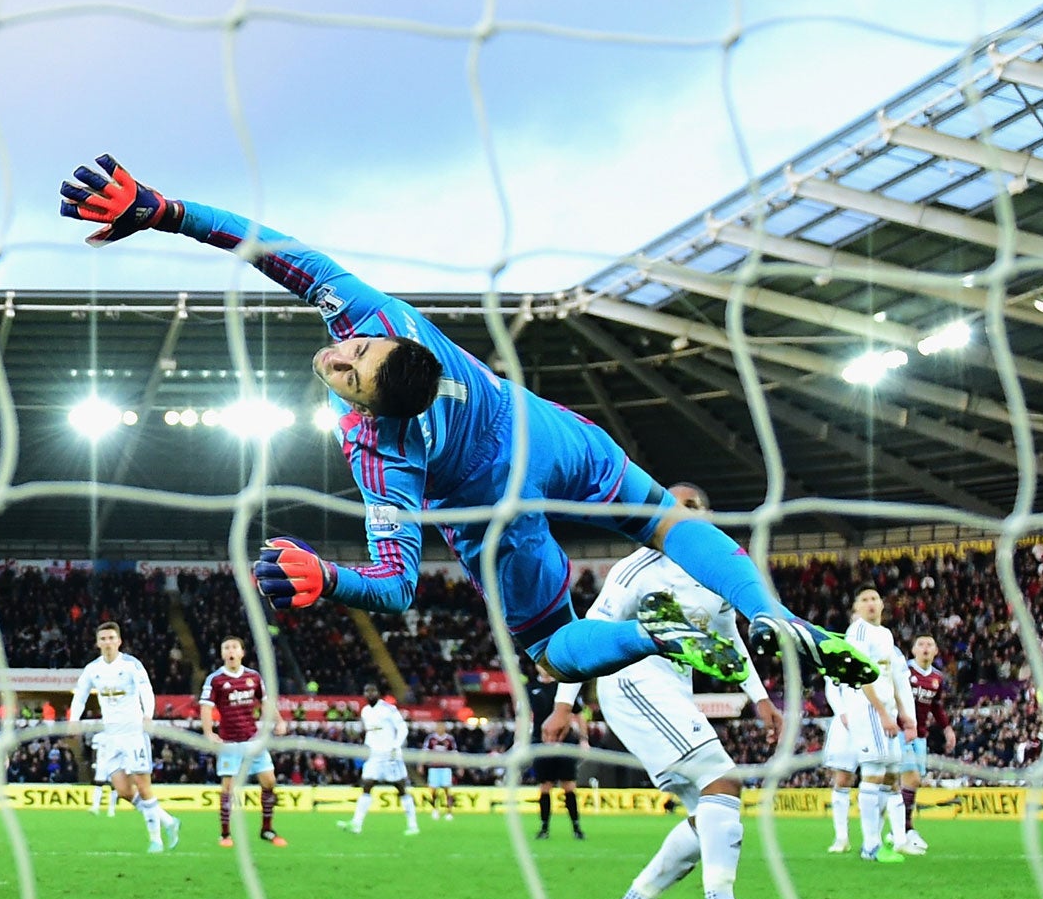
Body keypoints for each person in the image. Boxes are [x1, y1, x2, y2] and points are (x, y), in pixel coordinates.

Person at [58, 158, 877, 692]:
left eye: (352, 372)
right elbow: (268, 246)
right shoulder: (374, 316)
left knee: (555, 654)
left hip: (495, 503)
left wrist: (329, 579)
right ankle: (776, 617)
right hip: (549, 432)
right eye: (352, 357)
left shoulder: (385, 453)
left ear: (378, 407)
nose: (338, 360)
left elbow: (400, 584)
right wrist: (162, 210)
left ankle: (666, 638)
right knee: (664, 516)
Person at [559, 484, 788, 899]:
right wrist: (564, 704)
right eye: (675, 505)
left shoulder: (717, 571)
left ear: (708, 515)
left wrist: (759, 696)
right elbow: (591, 631)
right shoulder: (638, 566)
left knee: (706, 810)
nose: (683, 513)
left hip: (673, 688)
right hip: (633, 679)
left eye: (693, 506)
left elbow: (730, 638)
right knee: (724, 780)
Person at [68, 622, 179, 853]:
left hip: (134, 733)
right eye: (103, 638)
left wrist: (148, 715)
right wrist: (74, 719)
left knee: (143, 785)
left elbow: (146, 689)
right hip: (112, 736)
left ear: (119, 641)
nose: (107, 642)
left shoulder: (130, 665)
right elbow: (80, 696)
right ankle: (169, 820)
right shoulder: (93, 669)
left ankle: (156, 839)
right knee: (124, 791)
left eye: (111, 638)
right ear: (97, 643)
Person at [836, 588, 912, 865]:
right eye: (864, 600)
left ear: (882, 604)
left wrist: (901, 711)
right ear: (857, 607)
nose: (870, 604)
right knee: (873, 772)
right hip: (867, 709)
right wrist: (882, 712)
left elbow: (890, 678)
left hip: (887, 710)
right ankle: (871, 845)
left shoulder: (886, 635)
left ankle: (879, 842)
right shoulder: (857, 631)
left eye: (874, 599)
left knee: (891, 777)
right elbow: (859, 674)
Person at [198, 635, 287, 847]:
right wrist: (209, 732)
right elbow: (206, 707)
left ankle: (267, 829)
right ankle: (225, 834)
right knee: (228, 788)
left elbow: (266, 701)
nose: (230, 651)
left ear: (241, 652)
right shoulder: (215, 679)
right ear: (222, 654)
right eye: (226, 647)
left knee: (269, 781)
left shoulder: (253, 677)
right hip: (229, 742)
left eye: (234, 647)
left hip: (253, 740)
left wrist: (280, 721)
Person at [340, 686, 418, 836]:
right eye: (366, 691)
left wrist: (396, 746)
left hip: (390, 754)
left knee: (400, 788)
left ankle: (413, 825)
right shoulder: (365, 711)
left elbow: (403, 728)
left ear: (378, 693)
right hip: (374, 755)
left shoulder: (388, 709)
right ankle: (357, 824)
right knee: (367, 785)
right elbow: (370, 733)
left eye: (372, 691)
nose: (369, 694)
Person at [895, 635, 947, 854]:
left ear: (936, 651)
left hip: (921, 736)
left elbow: (936, 706)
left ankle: (900, 829)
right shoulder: (904, 671)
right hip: (900, 731)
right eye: (921, 644)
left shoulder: (937, 677)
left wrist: (947, 728)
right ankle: (904, 830)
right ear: (913, 650)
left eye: (930, 645)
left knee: (912, 783)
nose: (925, 648)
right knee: (911, 778)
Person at [526, 667, 584, 841]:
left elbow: (579, 714)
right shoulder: (530, 688)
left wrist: (584, 739)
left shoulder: (564, 687)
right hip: (540, 742)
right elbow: (525, 715)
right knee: (545, 787)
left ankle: (576, 827)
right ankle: (544, 827)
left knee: (569, 786)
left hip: (564, 743)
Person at [821, 679, 860, 855]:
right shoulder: (839, 653)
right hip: (847, 724)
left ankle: (878, 838)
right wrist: (842, 712)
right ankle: (842, 837)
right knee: (842, 779)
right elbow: (832, 687)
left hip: (877, 717)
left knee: (883, 778)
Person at [422, 727, 459, 821]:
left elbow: (454, 753)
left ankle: (449, 812)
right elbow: (425, 752)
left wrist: (459, 765)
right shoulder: (431, 739)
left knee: (447, 790)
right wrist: (421, 764)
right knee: (433, 791)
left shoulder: (449, 739)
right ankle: (435, 810)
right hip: (434, 768)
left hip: (445, 768)